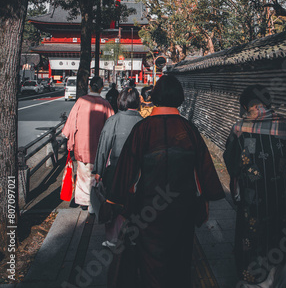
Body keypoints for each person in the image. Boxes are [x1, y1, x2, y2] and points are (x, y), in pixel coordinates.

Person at [107, 74, 225, 288]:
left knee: (150, 264)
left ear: (155, 97)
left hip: (148, 210)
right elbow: (204, 171)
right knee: (181, 261)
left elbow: (127, 169)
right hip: (183, 209)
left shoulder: (142, 129)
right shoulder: (189, 130)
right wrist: (206, 199)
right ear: (179, 98)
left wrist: (116, 200)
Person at [223, 84, 286, 288]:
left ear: (246, 106)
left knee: (251, 243)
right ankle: (276, 281)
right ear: (268, 103)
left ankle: (253, 282)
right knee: (278, 243)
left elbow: (232, 164)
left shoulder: (239, 129)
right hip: (283, 203)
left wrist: (236, 188)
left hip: (252, 204)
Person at [93, 86, 143, 246]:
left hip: (115, 170)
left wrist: (98, 171)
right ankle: (133, 237)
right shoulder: (143, 122)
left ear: (120, 101)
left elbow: (103, 147)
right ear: (137, 101)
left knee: (113, 205)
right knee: (134, 205)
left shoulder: (113, 121)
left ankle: (113, 239)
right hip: (138, 173)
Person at [62, 76, 113, 212]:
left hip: (81, 144)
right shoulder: (105, 104)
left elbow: (72, 120)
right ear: (101, 88)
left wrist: (67, 136)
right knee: (96, 174)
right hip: (98, 146)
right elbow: (111, 124)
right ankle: (94, 201)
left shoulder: (81, 101)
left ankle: (84, 201)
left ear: (90, 86)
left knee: (83, 173)